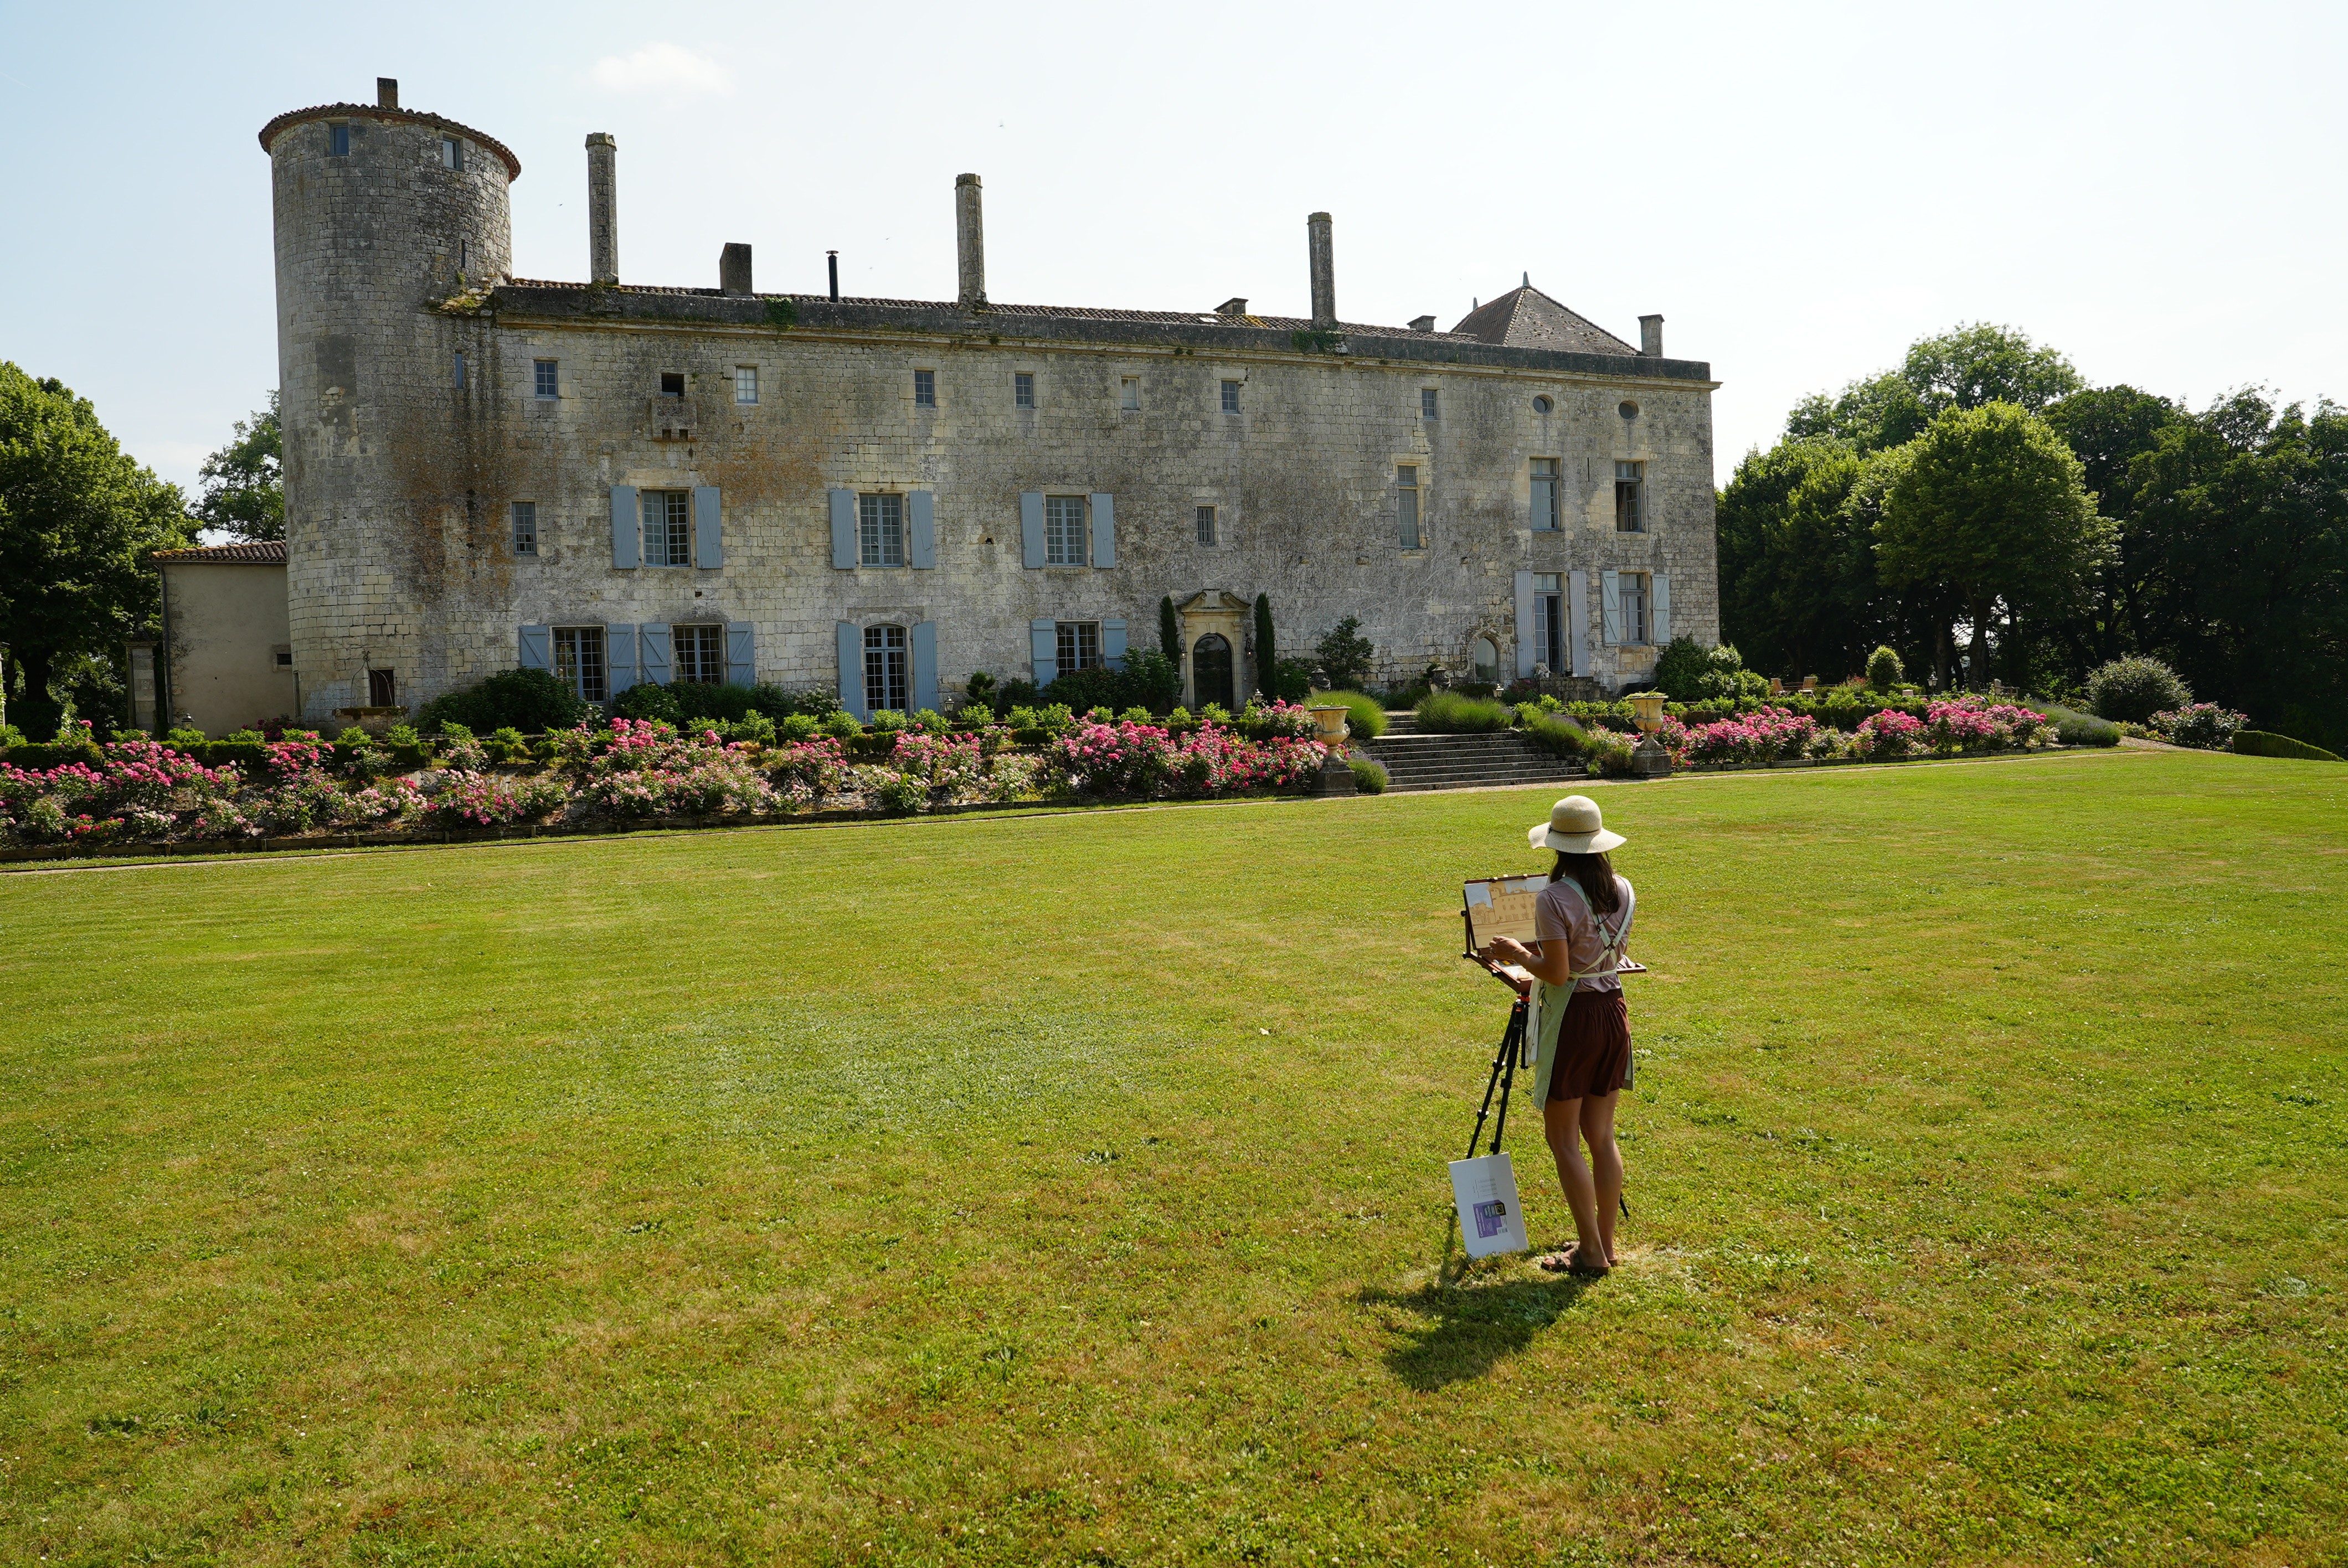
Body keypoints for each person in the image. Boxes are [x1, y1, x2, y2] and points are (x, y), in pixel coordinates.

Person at [1476, 795, 1635, 1277]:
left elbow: (1559, 973)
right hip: (1613, 1011)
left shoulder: (1554, 897)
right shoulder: (1623, 887)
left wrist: (1515, 953)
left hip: (1575, 1020)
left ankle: (1589, 1252)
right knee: (1601, 1136)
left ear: (1558, 846)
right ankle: (1603, 1244)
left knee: (1563, 1137)